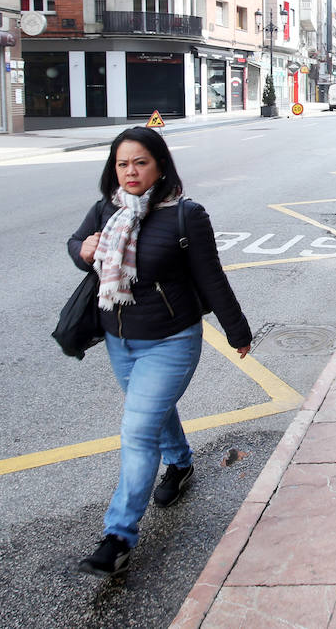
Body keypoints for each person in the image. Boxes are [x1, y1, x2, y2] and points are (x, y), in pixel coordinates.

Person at [68, 126, 253, 578]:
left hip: (171, 340)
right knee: (148, 411)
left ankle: (118, 537)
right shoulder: (105, 210)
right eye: (121, 164)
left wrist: (237, 330)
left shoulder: (185, 216)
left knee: (136, 430)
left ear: (160, 165)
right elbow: (77, 246)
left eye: (140, 163)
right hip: (119, 339)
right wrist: (83, 249)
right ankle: (182, 464)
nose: (130, 172)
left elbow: (212, 277)